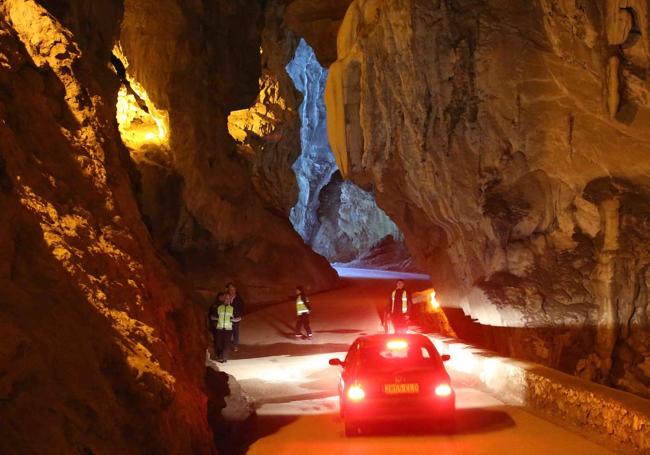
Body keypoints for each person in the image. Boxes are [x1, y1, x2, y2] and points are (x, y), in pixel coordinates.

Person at [209, 292, 233, 363]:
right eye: (225, 298)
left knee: (226, 344)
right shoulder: (219, 307)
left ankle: (223, 357)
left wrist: (234, 319)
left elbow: (237, 317)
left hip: (228, 328)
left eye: (228, 298)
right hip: (219, 327)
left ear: (230, 299)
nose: (227, 299)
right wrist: (216, 319)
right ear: (223, 299)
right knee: (218, 343)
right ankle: (220, 356)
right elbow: (213, 316)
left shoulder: (232, 308)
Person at [226, 282, 245, 352]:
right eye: (230, 289)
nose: (231, 291)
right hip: (227, 318)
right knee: (227, 332)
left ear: (235, 290)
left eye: (233, 289)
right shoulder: (226, 297)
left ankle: (235, 346)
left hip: (236, 318)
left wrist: (239, 315)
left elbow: (242, 308)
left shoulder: (238, 298)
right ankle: (227, 345)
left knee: (235, 332)